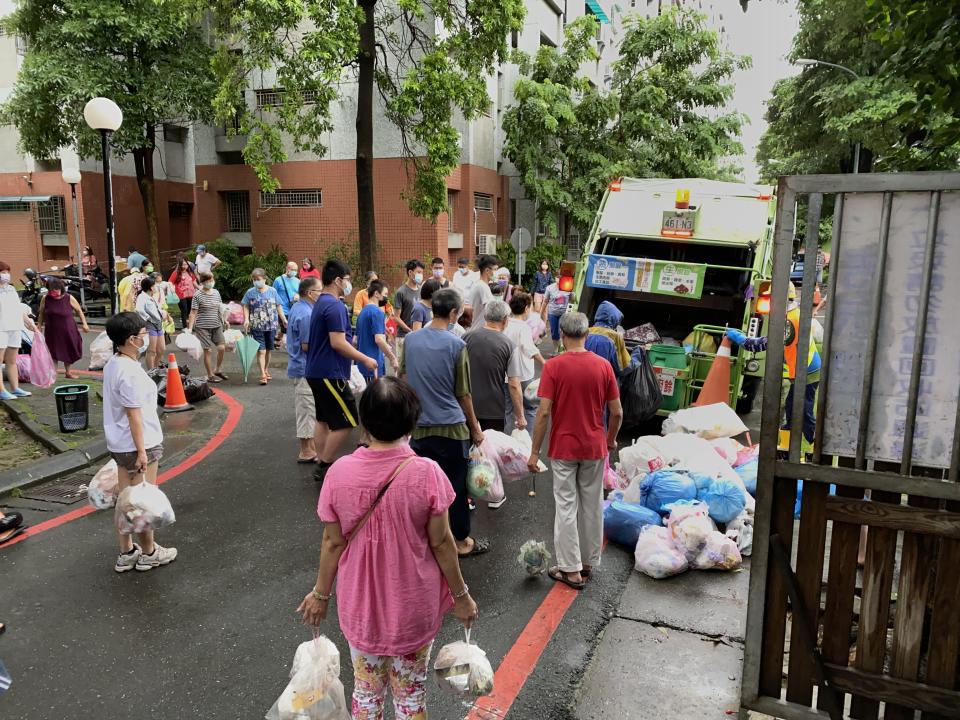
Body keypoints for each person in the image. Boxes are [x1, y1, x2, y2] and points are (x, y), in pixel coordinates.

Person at [297, 377, 478, 719]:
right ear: (412, 422)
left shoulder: (339, 473)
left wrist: (321, 595)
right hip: (413, 608)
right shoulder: (427, 473)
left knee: (366, 692)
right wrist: (461, 595)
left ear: (363, 422)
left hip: (362, 608)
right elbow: (441, 543)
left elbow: (333, 541)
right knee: (410, 695)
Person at [527, 312, 623, 590]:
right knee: (592, 505)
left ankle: (570, 569)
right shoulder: (603, 366)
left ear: (564, 336)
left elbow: (543, 413)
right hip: (595, 447)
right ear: (587, 335)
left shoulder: (554, 367)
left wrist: (534, 452)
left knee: (566, 506)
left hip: (564, 448)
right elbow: (616, 412)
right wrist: (610, 439)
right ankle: (589, 562)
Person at [401, 288, 488, 557]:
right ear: (452, 314)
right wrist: (475, 429)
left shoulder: (411, 340)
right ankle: (460, 542)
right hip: (452, 430)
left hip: (420, 429)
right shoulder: (456, 345)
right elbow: (463, 392)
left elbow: (402, 380)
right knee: (455, 488)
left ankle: (424, 539)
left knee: (422, 489)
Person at [103, 312, 178, 573]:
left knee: (126, 500)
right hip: (138, 443)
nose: (147, 337)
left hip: (119, 444)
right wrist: (142, 451)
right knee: (142, 502)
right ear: (133, 339)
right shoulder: (129, 372)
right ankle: (149, 552)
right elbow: (134, 414)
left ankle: (126, 552)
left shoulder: (114, 363)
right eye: (143, 334)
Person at [305, 259, 378, 484]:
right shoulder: (335, 305)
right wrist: (366, 359)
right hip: (330, 372)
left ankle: (322, 459)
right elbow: (337, 342)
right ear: (338, 280)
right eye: (347, 280)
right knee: (347, 421)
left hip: (317, 370)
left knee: (324, 419)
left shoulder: (321, 302)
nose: (349, 284)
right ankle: (325, 464)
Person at [726, 282, 821, 445]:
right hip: (806, 368)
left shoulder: (789, 321)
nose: (770, 302)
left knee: (803, 410)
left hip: (807, 371)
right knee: (792, 408)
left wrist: (740, 338)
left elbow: (764, 344)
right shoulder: (792, 315)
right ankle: (788, 441)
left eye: (771, 298)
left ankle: (815, 444)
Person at [464, 300, 525, 434]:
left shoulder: (466, 337)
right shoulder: (509, 345)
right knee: (491, 452)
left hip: (465, 407)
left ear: (486, 317)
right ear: (505, 320)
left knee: (465, 450)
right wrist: (520, 416)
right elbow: (514, 384)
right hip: (493, 409)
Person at [287, 276, 321, 463]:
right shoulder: (307, 314)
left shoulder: (298, 307)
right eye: (319, 290)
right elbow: (307, 345)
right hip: (304, 367)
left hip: (301, 366)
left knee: (307, 407)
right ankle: (306, 450)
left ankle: (311, 448)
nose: (321, 293)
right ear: (310, 293)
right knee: (307, 408)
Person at [504, 291, 545, 432]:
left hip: (506, 375)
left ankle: (508, 443)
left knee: (507, 410)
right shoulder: (523, 327)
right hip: (523, 375)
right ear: (526, 308)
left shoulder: (505, 324)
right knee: (530, 408)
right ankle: (527, 444)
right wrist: (544, 363)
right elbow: (529, 349)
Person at [38, 278, 89, 378]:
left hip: (67, 329)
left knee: (68, 349)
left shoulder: (68, 298)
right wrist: (39, 325)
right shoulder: (45, 298)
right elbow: (41, 313)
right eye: (52, 290)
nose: (54, 292)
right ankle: (53, 374)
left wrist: (84, 324)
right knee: (53, 351)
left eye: (56, 289)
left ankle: (68, 372)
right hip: (51, 330)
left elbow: (79, 311)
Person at [242, 268, 285, 386]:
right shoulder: (250, 292)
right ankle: (262, 374)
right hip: (257, 326)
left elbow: (278, 306)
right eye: (254, 279)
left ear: (265, 279)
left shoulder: (272, 291)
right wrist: (246, 319)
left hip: (271, 325)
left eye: (258, 279)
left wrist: (283, 319)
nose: (256, 281)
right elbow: (245, 305)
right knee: (261, 351)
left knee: (268, 350)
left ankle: (266, 369)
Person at [186, 271, 228, 383]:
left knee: (222, 347)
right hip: (202, 326)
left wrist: (225, 319)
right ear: (203, 282)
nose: (211, 282)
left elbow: (220, 307)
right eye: (208, 280)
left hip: (217, 324)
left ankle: (218, 369)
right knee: (208, 350)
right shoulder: (197, 295)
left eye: (212, 280)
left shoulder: (216, 292)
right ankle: (210, 375)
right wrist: (190, 329)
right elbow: (193, 313)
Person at [0, 262, 33, 400]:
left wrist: (29, 323)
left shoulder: (12, 289)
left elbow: (18, 308)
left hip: (14, 327)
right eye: (3, 271)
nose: (6, 274)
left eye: (7, 271)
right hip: (1, 328)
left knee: (12, 360)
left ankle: (15, 388)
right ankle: (1, 390)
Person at [356, 280, 399, 383]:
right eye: (385, 294)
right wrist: (392, 358)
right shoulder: (377, 312)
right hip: (373, 364)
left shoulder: (363, 312)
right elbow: (379, 340)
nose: (386, 298)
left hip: (362, 363)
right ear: (376, 293)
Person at [134, 277, 167, 370]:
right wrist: (148, 318)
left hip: (158, 324)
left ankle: (155, 369)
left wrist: (163, 314)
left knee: (161, 349)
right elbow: (138, 309)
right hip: (150, 325)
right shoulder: (142, 297)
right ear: (151, 287)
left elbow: (156, 309)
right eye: (155, 285)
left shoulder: (151, 296)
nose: (156, 287)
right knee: (151, 351)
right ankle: (151, 372)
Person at [589, 301, 630, 371]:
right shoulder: (615, 336)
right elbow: (623, 368)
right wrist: (638, 353)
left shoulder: (585, 332)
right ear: (613, 318)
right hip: (603, 379)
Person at [541, 276, 576, 354]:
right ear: (555, 278)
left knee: (561, 331)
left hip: (564, 313)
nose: (559, 279)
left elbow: (572, 300)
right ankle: (556, 350)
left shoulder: (569, 287)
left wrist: (569, 312)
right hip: (552, 312)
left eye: (561, 278)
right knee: (554, 332)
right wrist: (540, 312)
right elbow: (545, 301)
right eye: (557, 277)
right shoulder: (550, 288)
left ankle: (562, 349)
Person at [466, 254, 499, 330]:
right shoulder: (482, 287)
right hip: (478, 330)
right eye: (495, 269)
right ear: (487, 270)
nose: (497, 273)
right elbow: (493, 309)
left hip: (475, 329)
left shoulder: (478, 284)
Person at [394, 259, 424, 337]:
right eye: (419, 272)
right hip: (404, 337)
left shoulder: (422, 290)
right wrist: (410, 331)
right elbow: (396, 317)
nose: (421, 275)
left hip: (419, 335)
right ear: (410, 272)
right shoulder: (401, 292)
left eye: (422, 273)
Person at [169, 257, 199, 329]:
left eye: (186, 264)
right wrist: (172, 291)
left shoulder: (190, 272)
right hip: (181, 295)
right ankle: (185, 326)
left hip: (191, 294)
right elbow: (170, 282)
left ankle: (191, 325)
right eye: (183, 265)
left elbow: (194, 282)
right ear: (180, 265)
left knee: (191, 309)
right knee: (184, 310)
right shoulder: (176, 273)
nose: (185, 266)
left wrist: (199, 288)